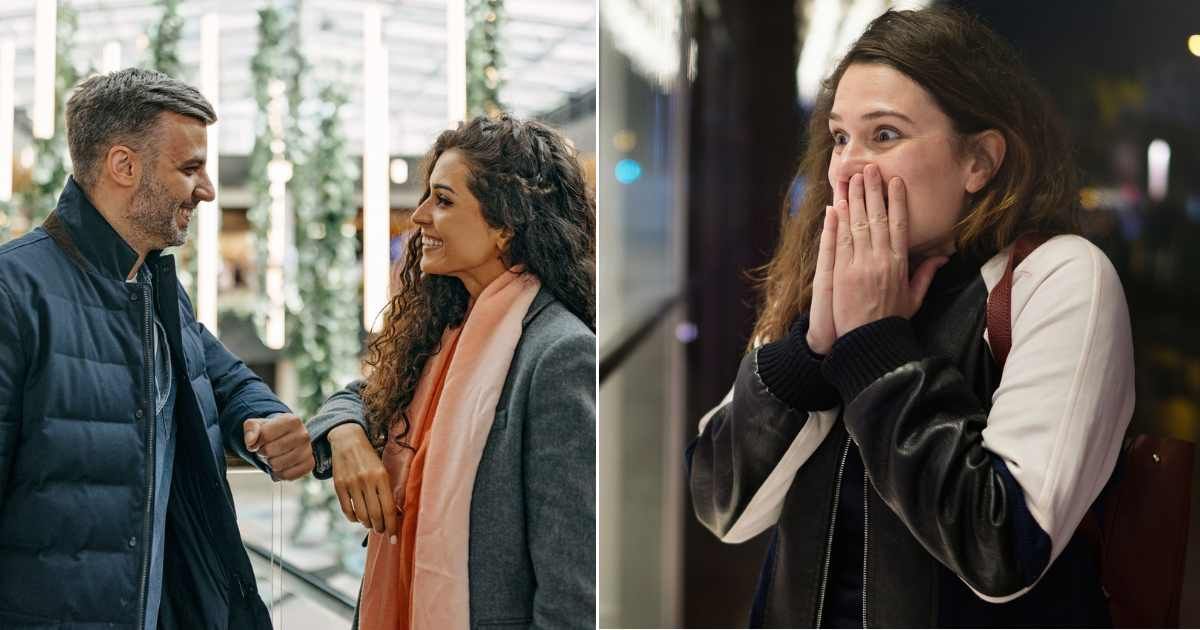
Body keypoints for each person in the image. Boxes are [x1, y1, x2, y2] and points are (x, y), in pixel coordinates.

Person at [687, 7, 1134, 627]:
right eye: (840, 137)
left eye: (886, 134)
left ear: (979, 160)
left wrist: (876, 345)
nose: (844, 167)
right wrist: (813, 348)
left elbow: (1001, 550)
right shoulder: (822, 276)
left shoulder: (1055, 278)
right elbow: (723, 508)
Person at [0, 68, 314, 628]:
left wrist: (264, 418)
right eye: (189, 167)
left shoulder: (154, 288)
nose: (208, 188)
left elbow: (223, 377)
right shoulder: (15, 291)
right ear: (124, 166)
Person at [306, 114, 596, 629]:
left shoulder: (559, 355)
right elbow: (359, 396)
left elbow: (572, 591)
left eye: (443, 200)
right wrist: (346, 435)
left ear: (505, 223)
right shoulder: (446, 329)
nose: (418, 216)